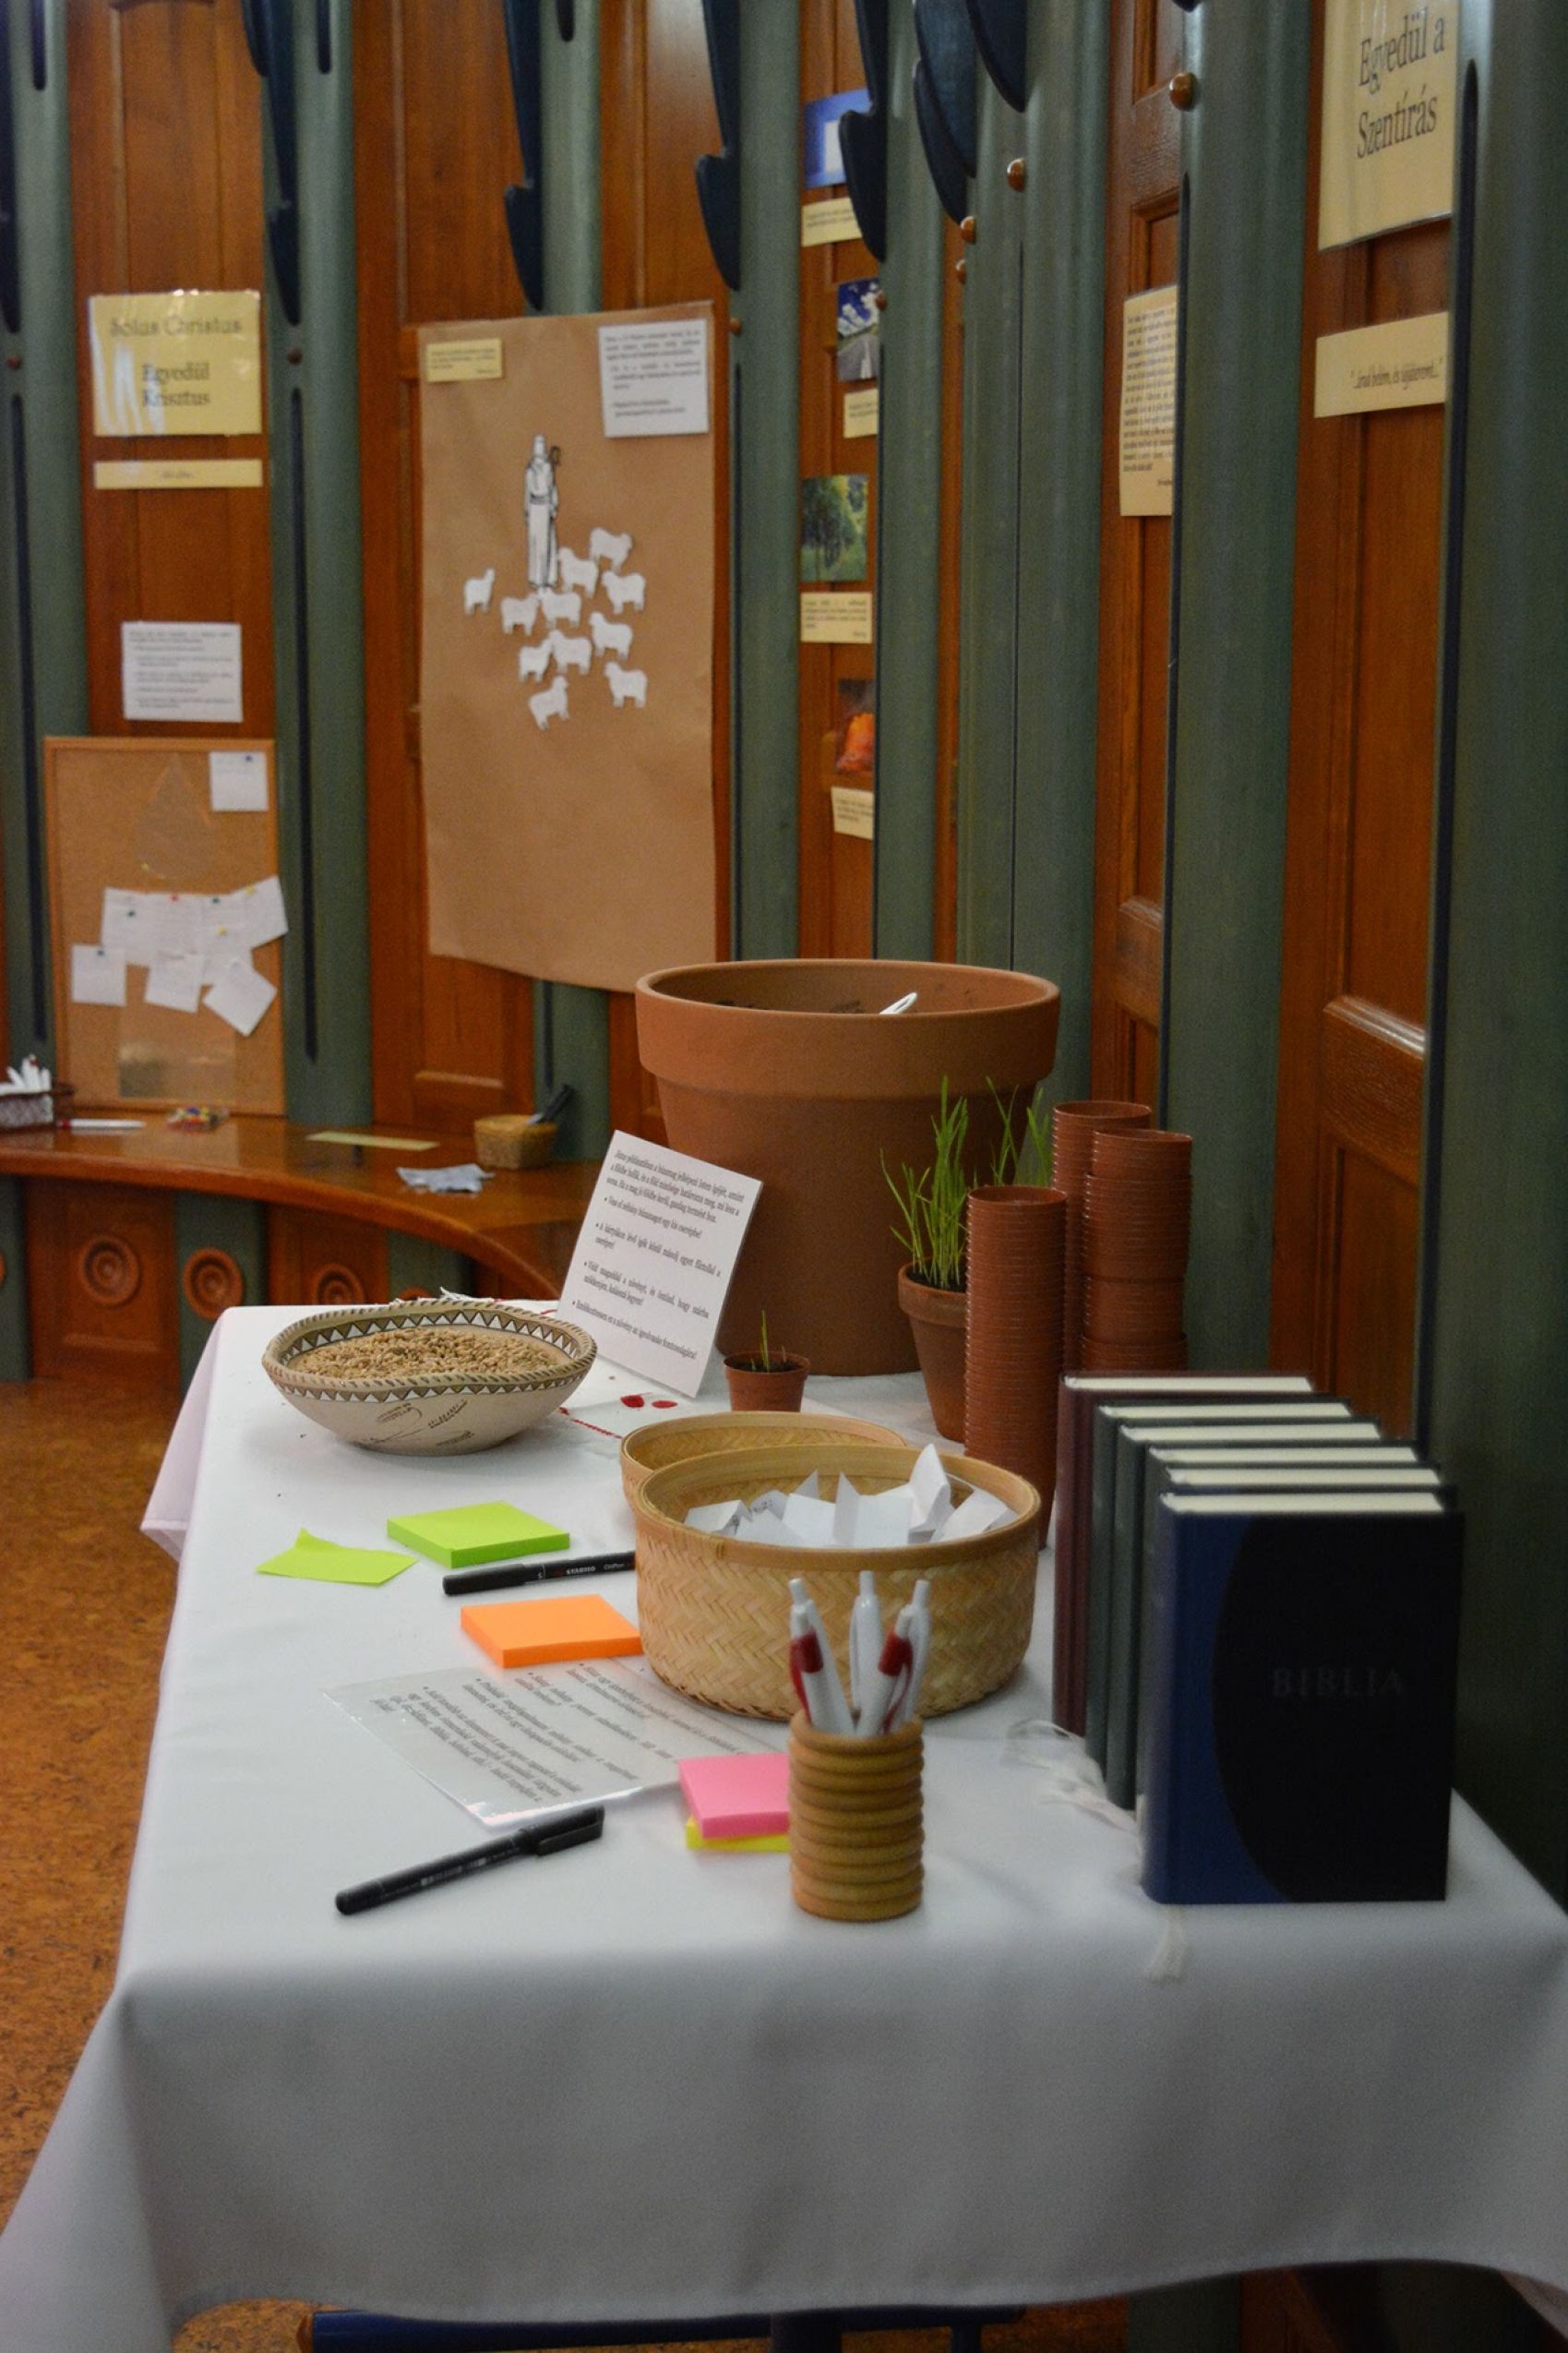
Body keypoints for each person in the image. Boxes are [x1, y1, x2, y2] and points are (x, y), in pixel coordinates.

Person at [524, 434, 558, 589]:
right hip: (534, 507)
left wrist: (553, 505)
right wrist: (527, 510)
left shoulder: (547, 468)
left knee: (545, 542)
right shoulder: (530, 470)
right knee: (535, 541)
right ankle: (536, 577)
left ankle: (546, 577)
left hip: (544, 507)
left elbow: (552, 488)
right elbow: (527, 491)